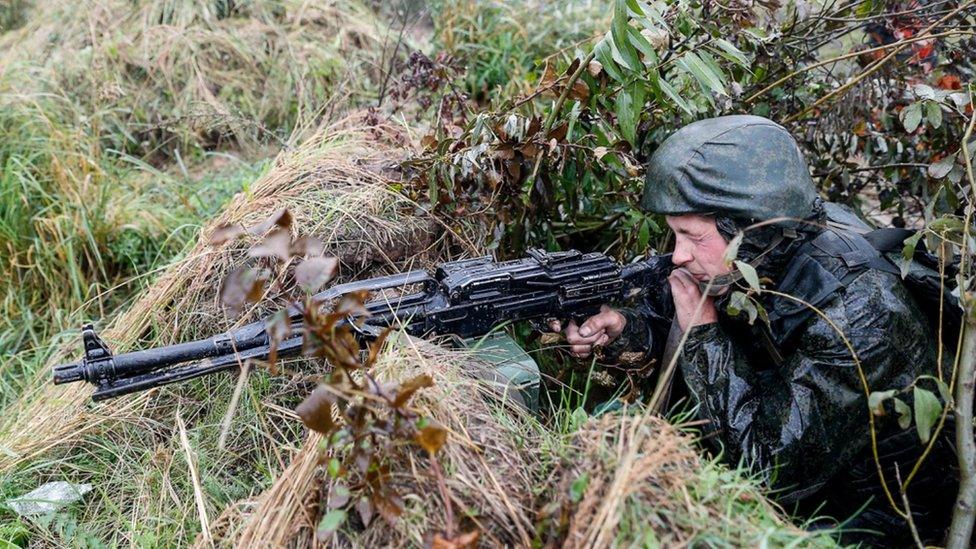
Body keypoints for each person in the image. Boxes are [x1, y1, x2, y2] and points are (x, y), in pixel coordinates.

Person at [552, 115, 959, 546]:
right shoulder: (764, 250)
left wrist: (704, 333)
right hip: (819, 475)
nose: (678, 256)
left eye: (692, 236)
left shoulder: (860, 315)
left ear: (748, 229)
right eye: (674, 235)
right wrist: (624, 330)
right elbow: (662, 312)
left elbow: (764, 470)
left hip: (887, 516)